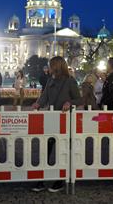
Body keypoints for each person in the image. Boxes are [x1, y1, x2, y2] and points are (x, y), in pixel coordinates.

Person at [31, 56, 82, 193]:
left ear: (58, 66)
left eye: (51, 65)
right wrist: (38, 104)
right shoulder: (50, 80)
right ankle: (40, 180)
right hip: (51, 119)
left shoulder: (70, 81)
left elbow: (79, 99)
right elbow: (44, 96)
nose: (49, 67)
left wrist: (69, 103)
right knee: (45, 150)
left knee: (62, 152)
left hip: (65, 121)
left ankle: (59, 180)